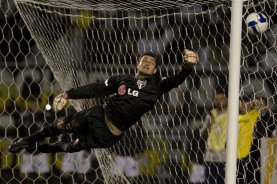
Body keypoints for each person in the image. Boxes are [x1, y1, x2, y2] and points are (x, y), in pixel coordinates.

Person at [9, 49, 198, 154]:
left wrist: (187, 66)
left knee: (75, 146)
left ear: (155, 70)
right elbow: (97, 88)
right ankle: (26, 141)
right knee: (60, 126)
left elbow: (177, 80)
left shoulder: (157, 86)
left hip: (110, 134)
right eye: (144, 60)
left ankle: (54, 148)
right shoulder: (122, 79)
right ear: (137, 64)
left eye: (151, 62)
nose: (147, 63)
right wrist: (69, 94)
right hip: (98, 115)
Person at [203, 92, 228, 184]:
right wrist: (209, 124)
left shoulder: (231, 115)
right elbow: (204, 135)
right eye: (217, 99)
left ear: (227, 100)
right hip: (210, 155)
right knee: (210, 181)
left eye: (222, 99)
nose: (219, 101)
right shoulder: (210, 115)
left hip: (224, 155)